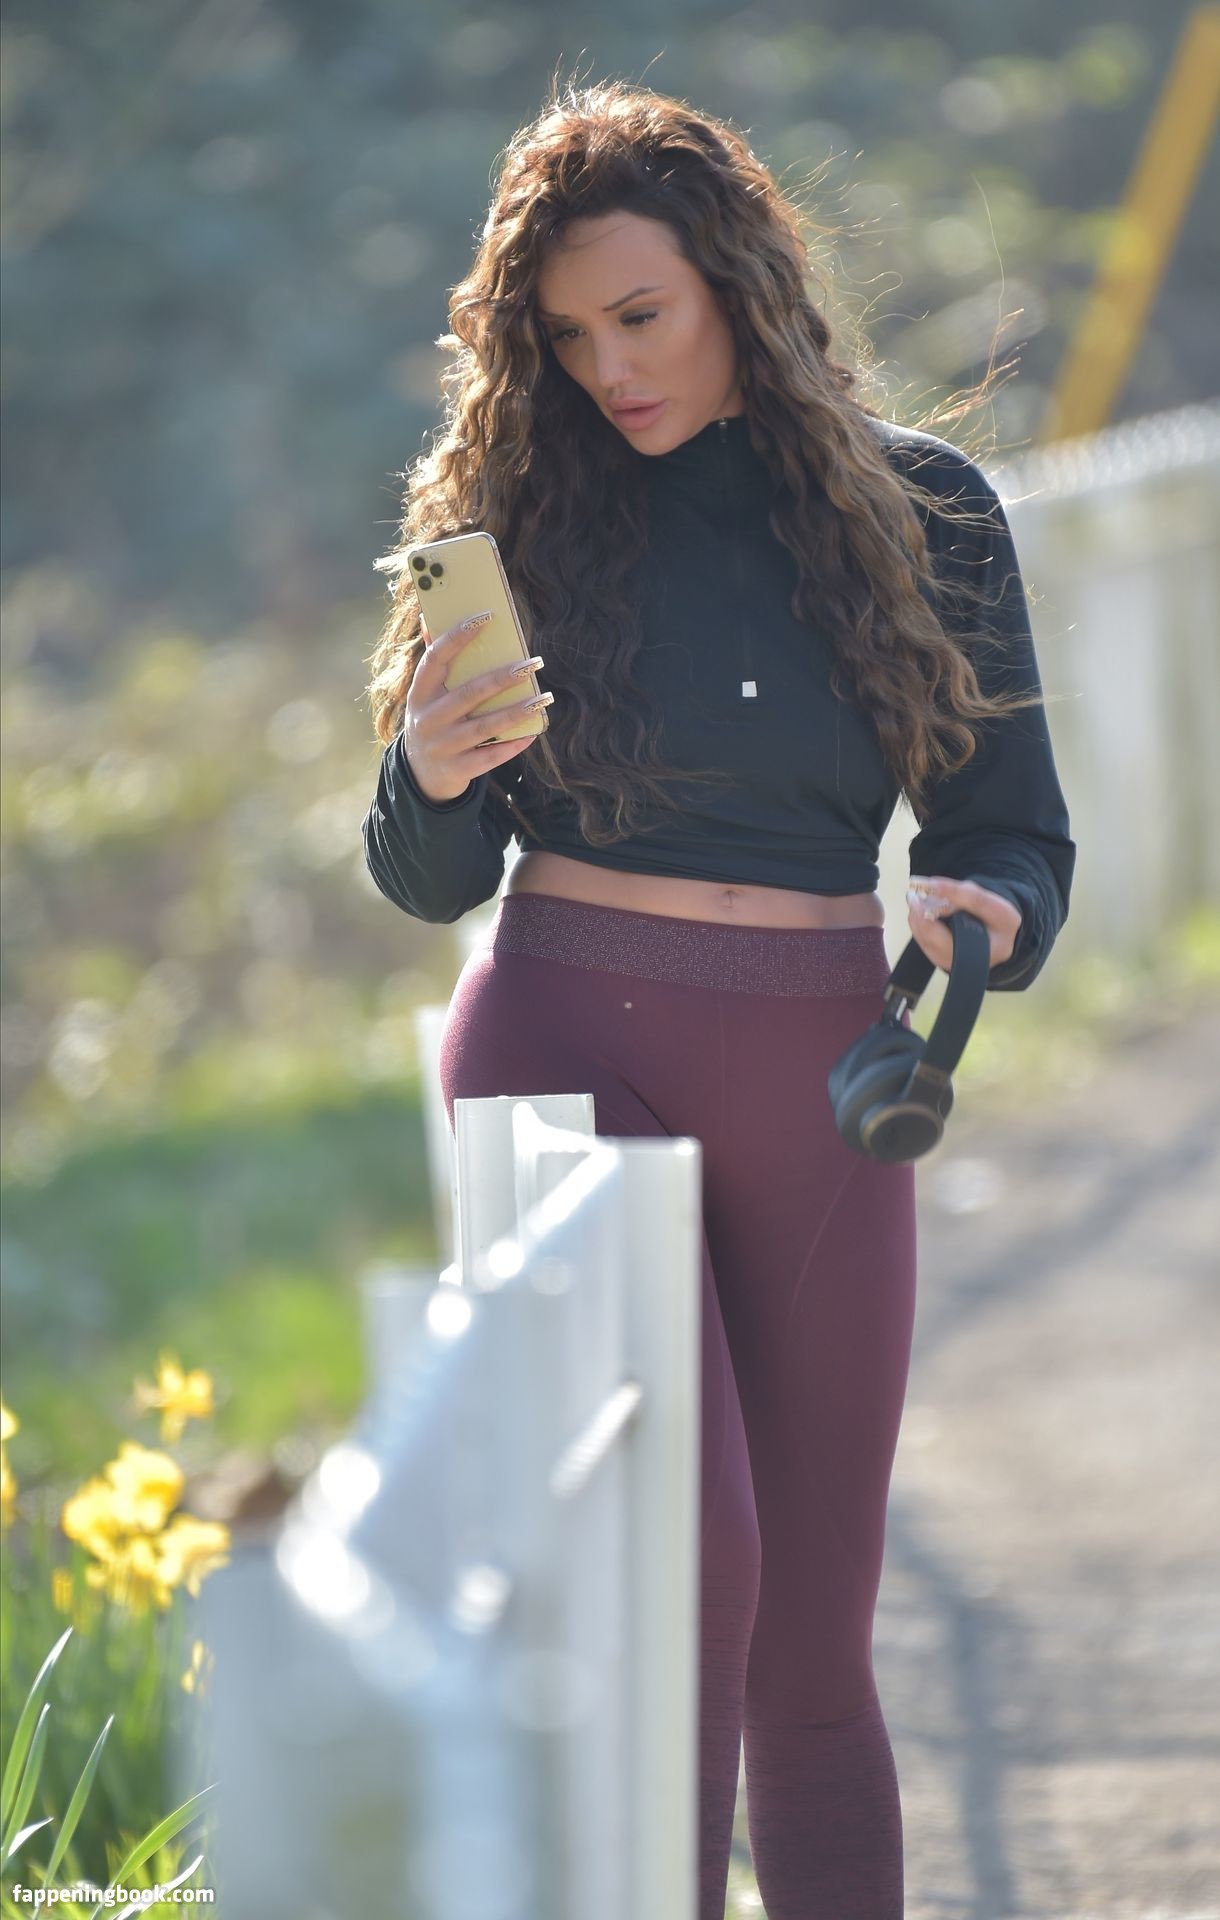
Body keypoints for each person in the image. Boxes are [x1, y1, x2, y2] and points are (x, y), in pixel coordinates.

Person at [361, 77, 1075, 1920]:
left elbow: (1013, 833)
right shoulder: (513, 518)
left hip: (824, 1075)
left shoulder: (928, 510)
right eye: (567, 335)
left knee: (813, 1651)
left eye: (640, 315)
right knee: (690, 1581)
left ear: (739, 281)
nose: (609, 368)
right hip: (560, 1046)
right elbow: (431, 878)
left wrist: (986, 911)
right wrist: (427, 773)